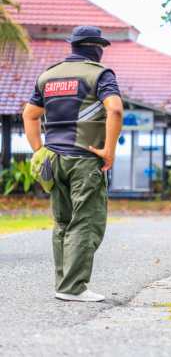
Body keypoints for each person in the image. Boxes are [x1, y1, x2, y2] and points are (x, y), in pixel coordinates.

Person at [22, 26, 124, 302]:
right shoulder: (100, 74)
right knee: (86, 222)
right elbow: (114, 108)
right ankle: (73, 288)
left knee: (63, 222)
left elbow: (30, 115)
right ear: (97, 48)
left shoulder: (48, 76)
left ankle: (63, 284)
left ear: (73, 46)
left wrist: (39, 150)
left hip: (53, 159)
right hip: (84, 159)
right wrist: (109, 151)